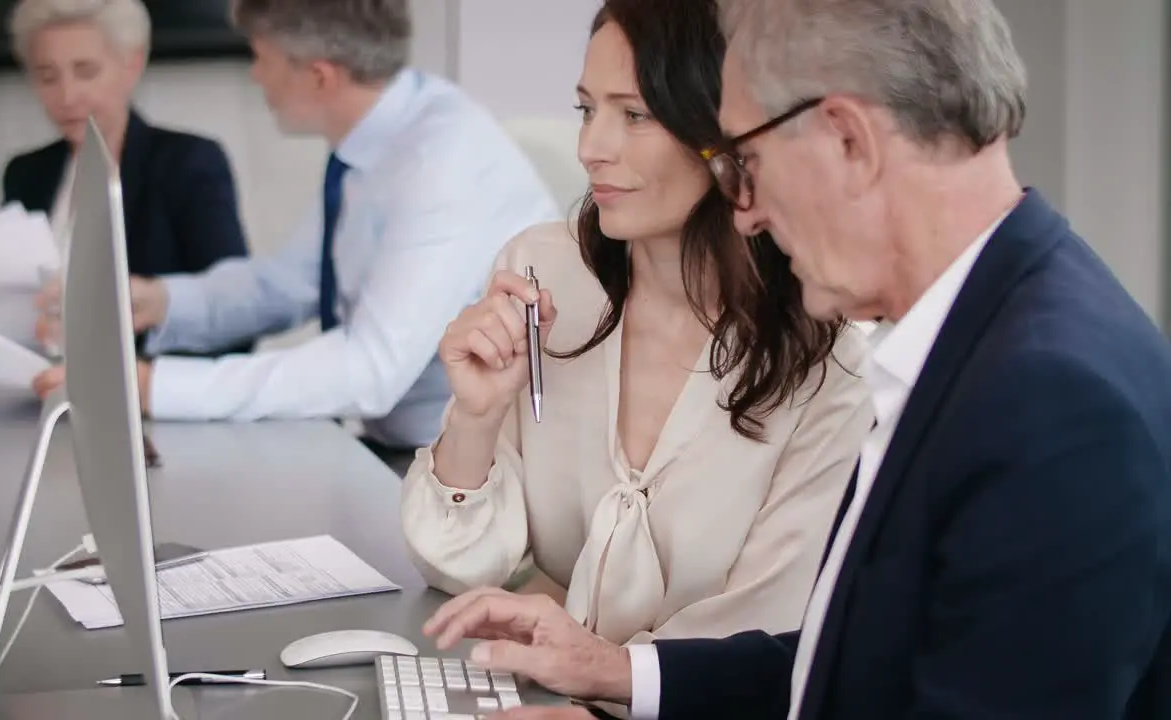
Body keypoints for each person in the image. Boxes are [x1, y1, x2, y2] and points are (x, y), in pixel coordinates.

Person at [420, 0, 1171, 718]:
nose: (744, 210)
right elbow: (848, 666)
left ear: (849, 141)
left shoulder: (1052, 402)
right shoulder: (993, 331)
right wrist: (614, 671)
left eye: (748, 160)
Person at [400, 0, 872, 666]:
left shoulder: (829, 355)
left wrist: (601, 676)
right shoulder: (541, 272)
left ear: (730, 132)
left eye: (635, 114)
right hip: (539, 686)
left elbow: (765, 645)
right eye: (587, 109)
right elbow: (459, 571)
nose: (590, 149)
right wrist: (476, 421)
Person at [32, 0, 560, 458]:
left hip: (477, 473)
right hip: (394, 449)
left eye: (260, 57)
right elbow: (291, 282)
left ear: (318, 75)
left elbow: (367, 372)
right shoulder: (374, 143)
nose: (254, 75)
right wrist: (159, 301)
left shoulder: (441, 164)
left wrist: (150, 388)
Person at [6, 0, 253, 355]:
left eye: (86, 71)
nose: (66, 96)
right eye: (47, 76)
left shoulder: (187, 163)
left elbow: (236, 319)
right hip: (41, 391)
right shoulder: (25, 174)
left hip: (151, 397)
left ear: (131, 65)